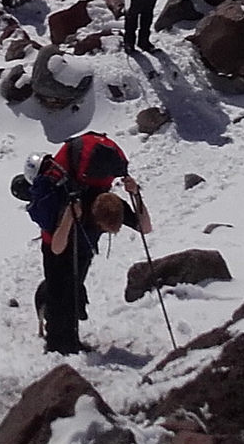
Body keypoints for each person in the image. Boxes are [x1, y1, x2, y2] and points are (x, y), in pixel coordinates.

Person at [22, 134, 151, 355]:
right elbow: (56, 248)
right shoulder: (72, 205)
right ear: (95, 218)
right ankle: (60, 344)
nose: (105, 230)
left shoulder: (111, 203)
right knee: (61, 294)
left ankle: (64, 330)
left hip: (83, 250)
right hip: (57, 246)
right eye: (103, 227)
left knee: (72, 290)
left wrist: (136, 194)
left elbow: (144, 227)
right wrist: (70, 219)